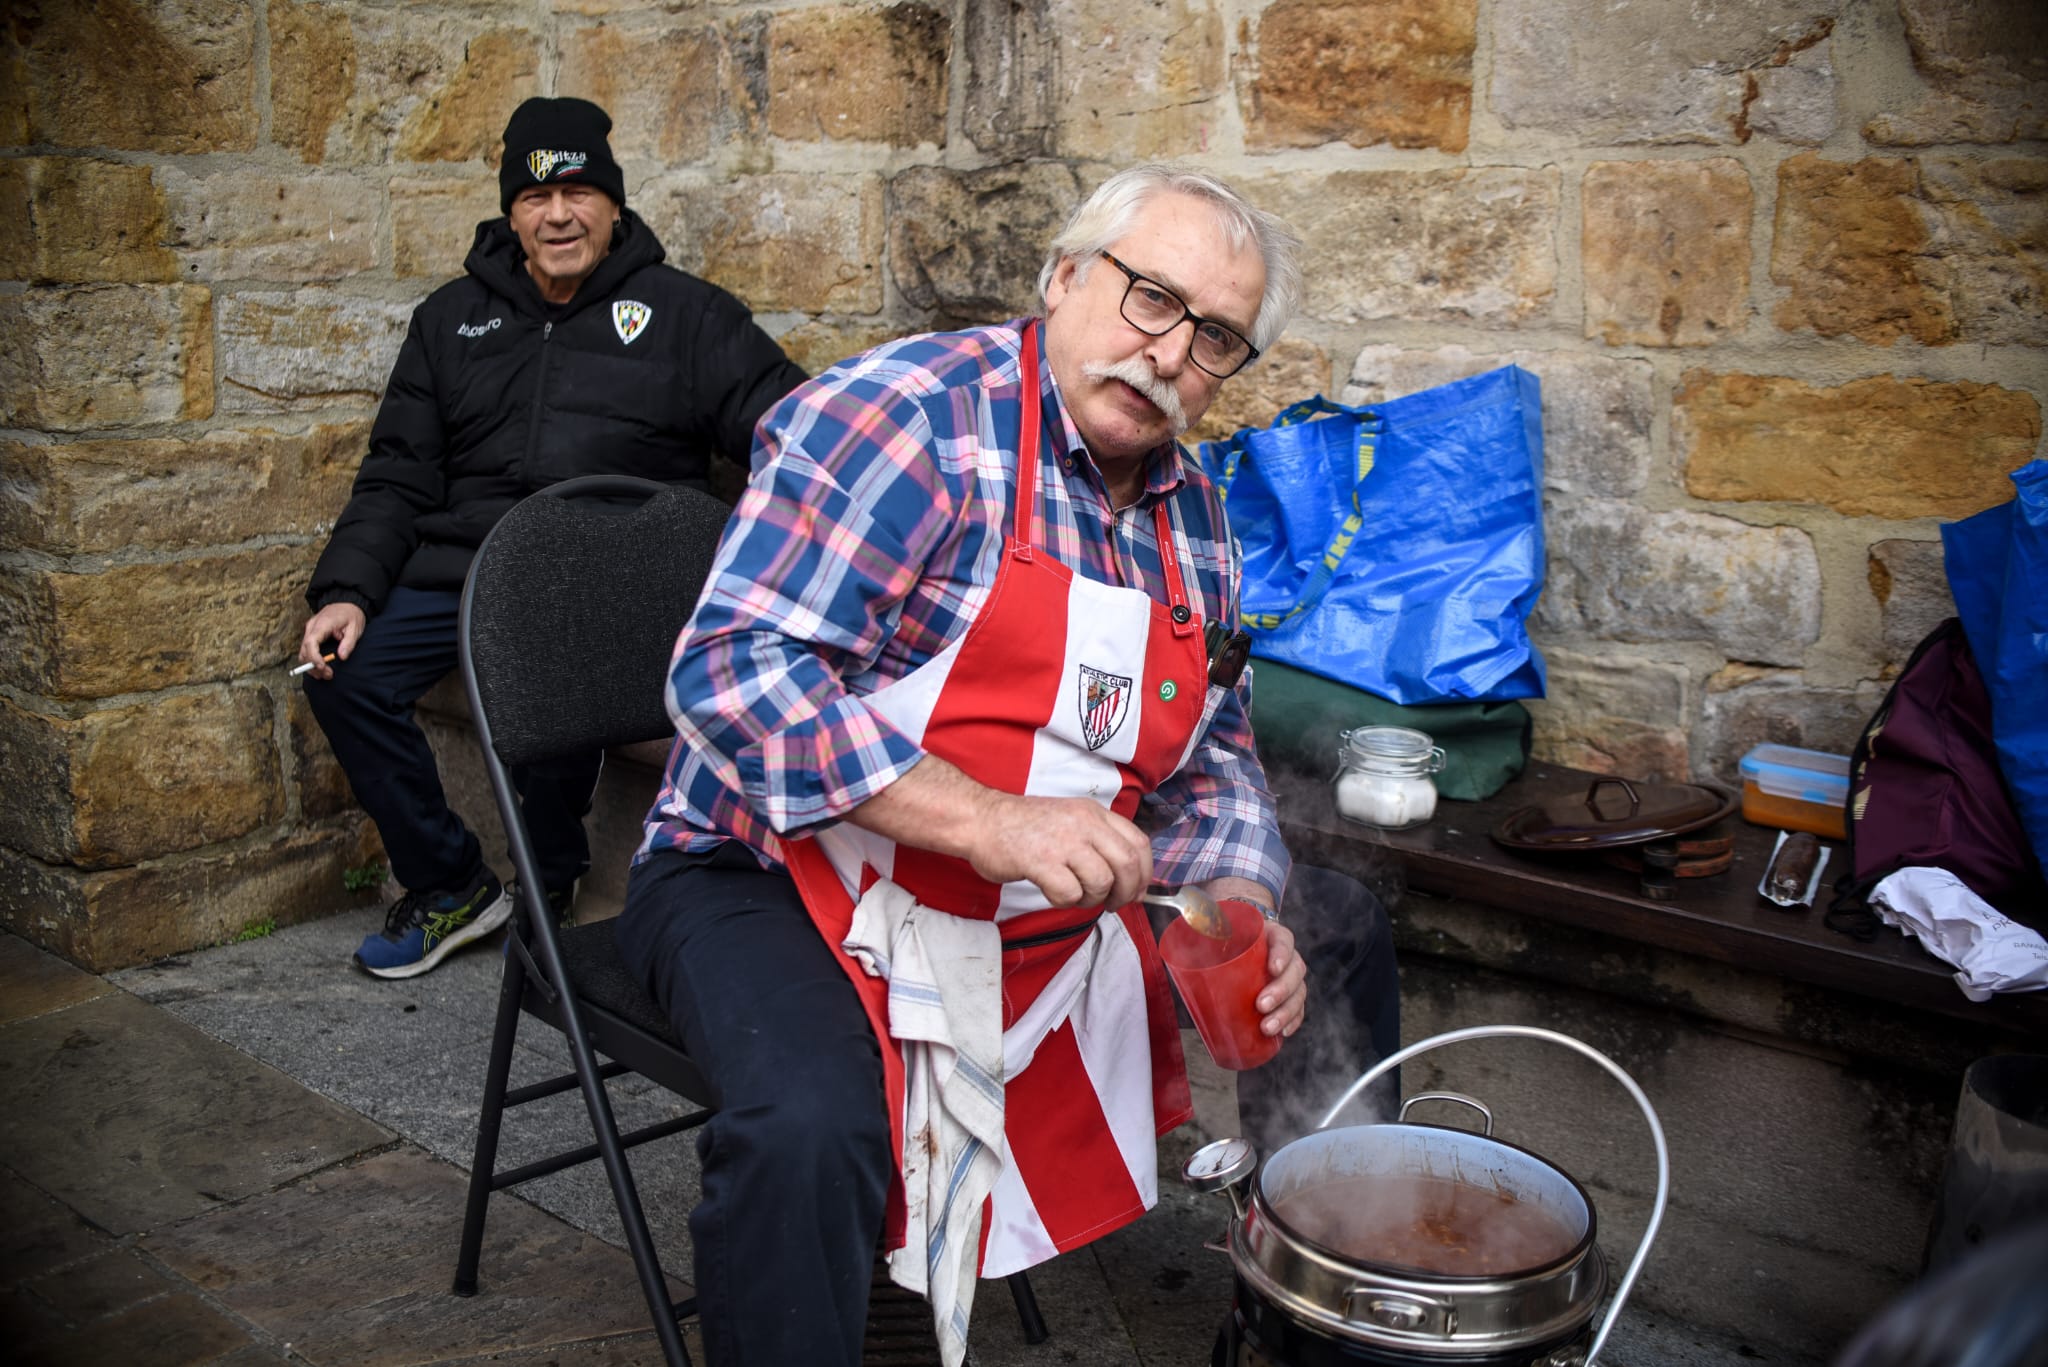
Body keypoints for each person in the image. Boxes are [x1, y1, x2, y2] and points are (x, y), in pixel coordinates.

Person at [618, 164, 1397, 1366]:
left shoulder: (1196, 515)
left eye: (1214, 336)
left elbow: (1211, 755)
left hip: (1024, 895)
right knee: (807, 1121)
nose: (1168, 351)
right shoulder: (906, 419)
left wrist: (1235, 905)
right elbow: (731, 672)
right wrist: (988, 819)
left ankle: (1322, 1328)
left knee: (1332, 930)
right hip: (767, 866)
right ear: (1065, 276)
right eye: (1150, 296)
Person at [297, 96, 807, 980]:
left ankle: (550, 877)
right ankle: (450, 882)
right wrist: (345, 592)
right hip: (464, 567)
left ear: (613, 204)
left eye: (578, 192)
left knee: (557, 653)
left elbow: (798, 433)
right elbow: (398, 472)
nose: (559, 215)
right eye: (537, 197)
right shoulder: (450, 319)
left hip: (605, 569)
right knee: (343, 674)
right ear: (512, 213)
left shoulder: (686, 316)